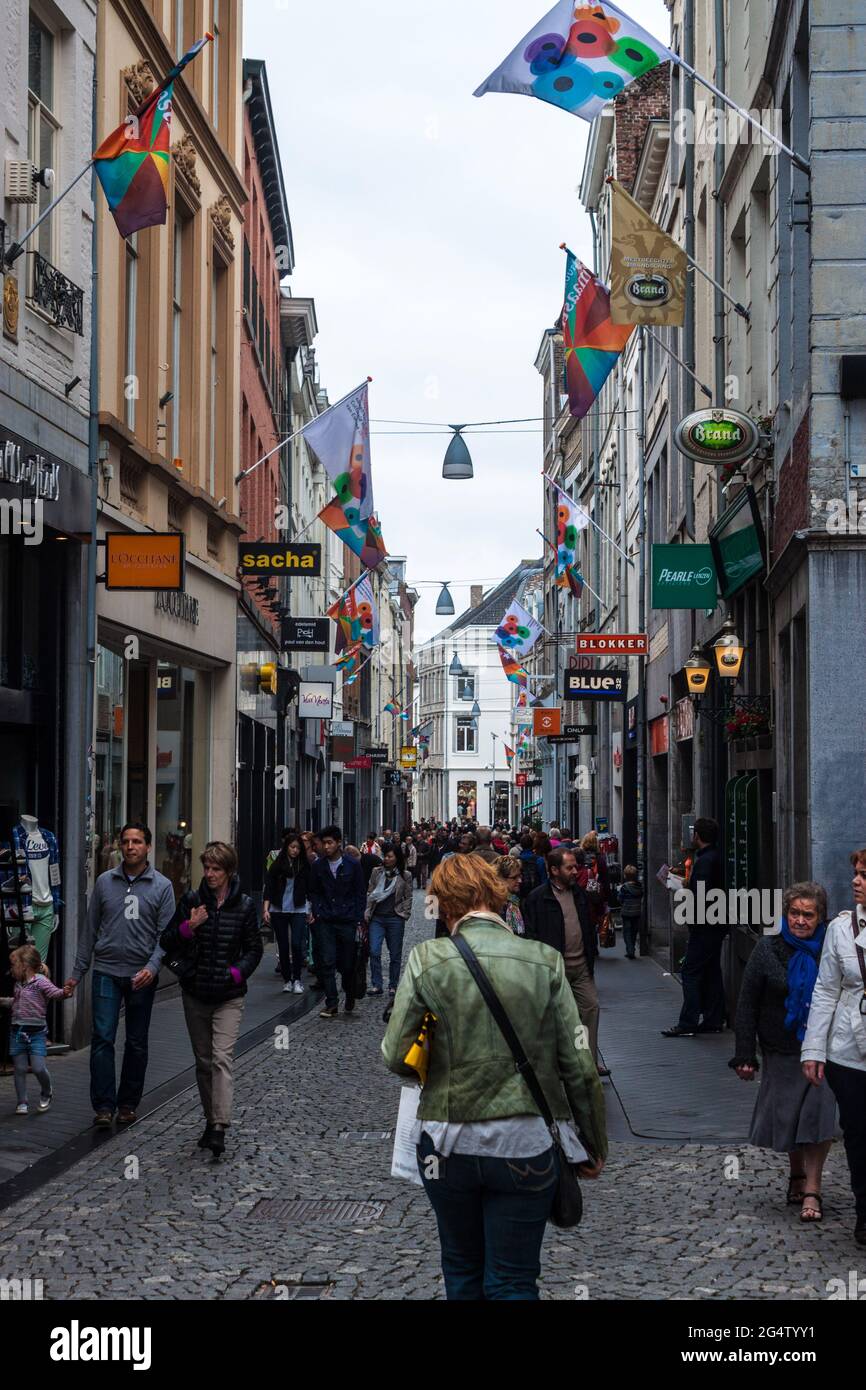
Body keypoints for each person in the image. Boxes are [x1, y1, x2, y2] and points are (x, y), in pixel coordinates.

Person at [382, 854, 607, 1301]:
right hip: (525, 1142)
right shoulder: (543, 960)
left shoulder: (428, 959)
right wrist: (593, 1144)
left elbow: (394, 1055)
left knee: (463, 1270)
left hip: (448, 1141)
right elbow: (580, 1064)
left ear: (444, 906)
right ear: (496, 896)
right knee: (513, 1280)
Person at [731, 883, 835, 1223]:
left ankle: (813, 1189)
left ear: (820, 918)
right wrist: (745, 1054)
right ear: (785, 914)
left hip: (821, 1049)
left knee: (816, 1118)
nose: (800, 921)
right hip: (780, 1048)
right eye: (794, 913)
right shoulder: (768, 949)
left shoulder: (830, 950)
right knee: (789, 1117)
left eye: (808, 914)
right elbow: (746, 1004)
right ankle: (795, 1175)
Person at [65, 822, 175, 1128]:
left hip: (142, 975)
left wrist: (152, 968)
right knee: (102, 1038)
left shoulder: (162, 886)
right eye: (126, 841)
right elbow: (89, 930)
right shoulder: (103, 882)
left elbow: (166, 937)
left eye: (137, 841)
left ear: (148, 847)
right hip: (106, 972)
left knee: (137, 1042)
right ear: (119, 846)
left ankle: (127, 1103)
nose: (130, 847)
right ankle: (103, 1105)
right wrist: (77, 973)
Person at [160, 842, 262, 1158]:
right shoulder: (192, 900)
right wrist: (190, 927)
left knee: (221, 1058)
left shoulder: (244, 906)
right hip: (196, 992)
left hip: (229, 996)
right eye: (207, 868)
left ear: (229, 872)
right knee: (203, 1063)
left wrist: (236, 973)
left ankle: (219, 1126)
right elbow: (167, 941)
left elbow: (254, 949)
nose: (210, 874)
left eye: (216, 869)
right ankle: (210, 1120)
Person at [802, 847, 866, 1245]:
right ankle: (865, 1211)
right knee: (859, 1133)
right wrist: (813, 1049)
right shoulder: (842, 929)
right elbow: (825, 991)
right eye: (856, 873)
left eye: (864, 875)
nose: (856, 881)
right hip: (849, 1049)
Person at [523, 849, 606, 1074]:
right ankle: (558, 1064)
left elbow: (587, 923)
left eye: (575, 866)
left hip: (581, 965)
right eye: (569, 867)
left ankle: (587, 1060)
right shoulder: (538, 898)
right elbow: (530, 935)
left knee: (590, 1007)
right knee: (556, 1017)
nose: (574, 871)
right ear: (554, 870)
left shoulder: (578, 893)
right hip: (553, 968)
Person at [662, 817, 727, 1038]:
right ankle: (713, 1018)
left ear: (697, 836)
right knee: (711, 971)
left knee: (690, 971)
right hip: (714, 924)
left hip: (705, 925)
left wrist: (682, 889)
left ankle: (688, 1022)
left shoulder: (705, 861)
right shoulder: (714, 857)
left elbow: (702, 895)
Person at [309, 825, 366, 1019]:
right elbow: (314, 891)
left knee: (347, 963)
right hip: (326, 919)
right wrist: (317, 910)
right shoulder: (318, 866)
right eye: (323, 843)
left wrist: (358, 918)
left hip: (347, 920)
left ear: (338, 843)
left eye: (329, 843)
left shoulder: (352, 865)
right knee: (327, 961)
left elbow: (360, 893)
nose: (326, 847)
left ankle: (349, 993)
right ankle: (331, 1003)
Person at [1, 945, 66, 1114]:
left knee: (38, 1068)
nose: (11, 970)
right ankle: (22, 1101)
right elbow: (16, 1003)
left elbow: (55, 993)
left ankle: (47, 1090)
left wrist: (65, 992)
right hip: (17, 1032)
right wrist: (3, 1001)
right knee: (20, 1068)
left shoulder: (40, 981)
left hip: (36, 1033)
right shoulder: (18, 985)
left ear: (24, 966)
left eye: (13, 965)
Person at [263, 832, 312, 995]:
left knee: (297, 944)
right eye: (292, 847)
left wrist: (310, 908)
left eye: (298, 847)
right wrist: (266, 909)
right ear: (286, 847)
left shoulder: (304, 865)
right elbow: (269, 886)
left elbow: (309, 888)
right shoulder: (278, 864)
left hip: (298, 908)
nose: (295, 850)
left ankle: (297, 979)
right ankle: (287, 980)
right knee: (283, 946)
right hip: (279, 908)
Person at [366, 845, 413, 999]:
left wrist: (404, 914)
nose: (386, 859)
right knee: (374, 950)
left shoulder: (405, 875)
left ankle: (393, 985)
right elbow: (370, 892)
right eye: (385, 856)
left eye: (390, 856)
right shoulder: (376, 872)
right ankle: (376, 984)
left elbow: (408, 896)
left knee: (395, 954)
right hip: (377, 918)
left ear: (397, 858)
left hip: (395, 918)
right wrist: (367, 911)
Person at [496, 855, 526, 936]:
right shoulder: (495, 906)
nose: (520, 880)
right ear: (500, 878)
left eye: (520, 876)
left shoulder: (516, 900)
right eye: (514, 877)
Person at [618, 866, 643, 960]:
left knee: (627, 932)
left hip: (626, 913)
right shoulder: (639, 886)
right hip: (636, 912)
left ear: (625, 876)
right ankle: (632, 947)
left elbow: (620, 899)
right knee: (634, 931)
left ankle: (630, 950)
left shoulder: (624, 887)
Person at [517, 832, 546, 904]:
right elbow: (544, 879)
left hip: (522, 896)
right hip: (537, 895)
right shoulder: (539, 860)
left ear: (521, 845)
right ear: (532, 844)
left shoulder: (516, 861)